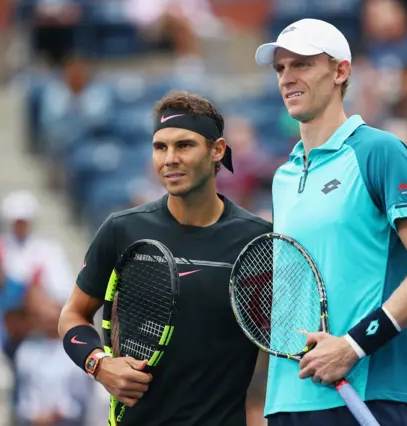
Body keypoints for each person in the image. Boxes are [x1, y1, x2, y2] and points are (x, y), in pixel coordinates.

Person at [254, 18, 407, 426]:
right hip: (287, 400)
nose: (288, 78)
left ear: (340, 71)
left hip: (368, 391)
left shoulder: (380, 151)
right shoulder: (283, 177)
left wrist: (352, 346)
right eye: (281, 68)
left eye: (303, 65)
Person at [58, 90, 273, 426]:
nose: (169, 158)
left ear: (217, 150)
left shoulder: (259, 240)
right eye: (160, 147)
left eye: (184, 145)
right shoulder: (121, 230)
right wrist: (98, 364)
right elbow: (72, 315)